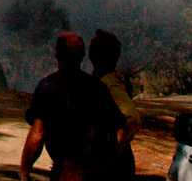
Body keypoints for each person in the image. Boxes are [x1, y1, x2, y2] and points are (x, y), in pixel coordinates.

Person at [20, 32, 127, 181]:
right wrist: (109, 163)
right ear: (83, 56)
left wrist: (24, 172)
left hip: (66, 172)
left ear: (56, 54)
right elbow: (120, 130)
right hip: (97, 172)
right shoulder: (97, 87)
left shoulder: (48, 87)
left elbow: (37, 135)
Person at [89, 29, 141, 179]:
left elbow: (133, 119)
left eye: (93, 48)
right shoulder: (104, 81)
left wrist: (111, 152)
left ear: (95, 55)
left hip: (114, 170)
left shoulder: (108, 85)